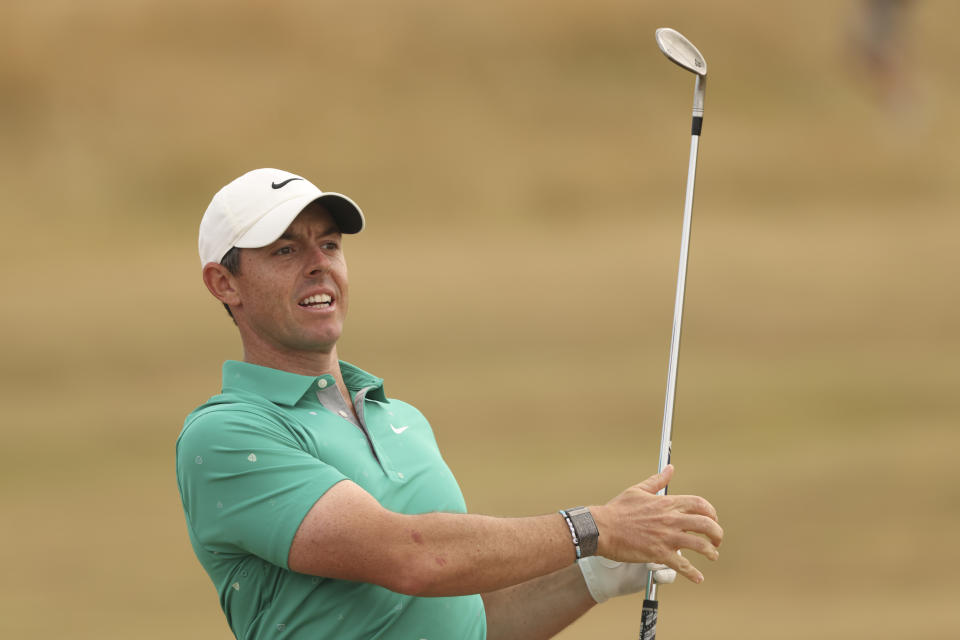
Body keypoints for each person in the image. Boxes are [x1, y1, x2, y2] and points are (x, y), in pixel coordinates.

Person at [176, 168, 724, 639]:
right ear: (224, 283)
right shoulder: (228, 436)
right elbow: (410, 557)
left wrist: (593, 572)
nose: (319, 264)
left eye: (330, 244)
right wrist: (592, 528)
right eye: (286, 250)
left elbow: (469, 621)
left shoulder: (401, 420)